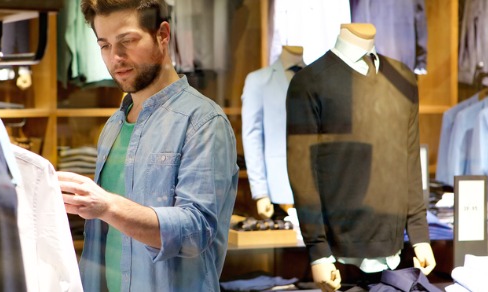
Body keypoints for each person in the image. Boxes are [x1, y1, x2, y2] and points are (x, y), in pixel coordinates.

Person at [57, 1, 239, 291]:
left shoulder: (203, 122)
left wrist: (107, 206)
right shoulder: (113, 126)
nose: (115, 57)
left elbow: (195, 232)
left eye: (127, 41)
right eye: (104, 45)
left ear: (163, 35)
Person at [286, 23, 436, 291]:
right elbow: (302, 175)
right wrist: (318, 251)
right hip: (339, 258)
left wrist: (420, 235)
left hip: (398, 253)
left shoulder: (403, 77)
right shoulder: (309, 82)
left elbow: (410, 161)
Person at [241, 45, 305, 219]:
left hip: (315, 190)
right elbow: (252, 137)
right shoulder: (259, 81)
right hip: (277, 189)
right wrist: (260, 192)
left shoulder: (317, 79)